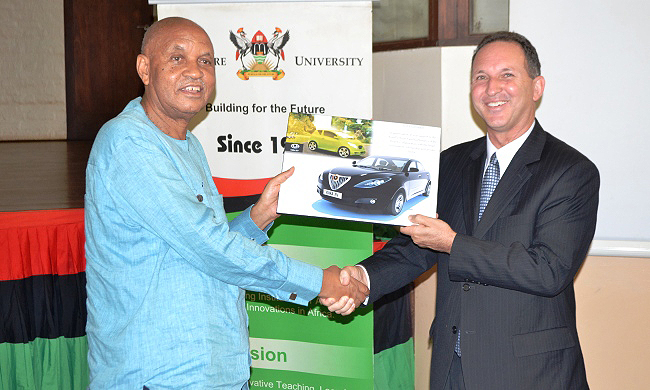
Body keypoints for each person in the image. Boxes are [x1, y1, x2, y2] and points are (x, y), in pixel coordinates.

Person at [84, 17, 367, 389]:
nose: (195, 72)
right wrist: (321, 282)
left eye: (206, 61)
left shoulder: (188, 144)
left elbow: (194, 251)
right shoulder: (127, 143)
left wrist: (258, 217)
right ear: (144, 69)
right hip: (158, 375)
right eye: (177, 59)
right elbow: (209, 247)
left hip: (214, 370)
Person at [325, 31, 599, 389]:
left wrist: (454, 243)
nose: (492, 88)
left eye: (507, 75)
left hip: (530, 373)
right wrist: (364, 277)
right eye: (481, 78)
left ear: (537, 87)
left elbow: (548, 270)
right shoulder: (450, 162)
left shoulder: (570, 171)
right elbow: (416, 247)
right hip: (452, 367)